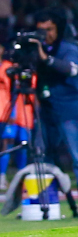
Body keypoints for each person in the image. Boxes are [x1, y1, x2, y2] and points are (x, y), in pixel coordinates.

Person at [30, 9, 78, 216]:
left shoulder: (68, 47)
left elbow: (72, 69)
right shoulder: (39, 48)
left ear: (58, 28)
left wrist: (45, 58)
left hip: (71, 110)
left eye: (50, 29)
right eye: (41, 30)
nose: (46, 35)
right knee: (43, 158)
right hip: (47, 110)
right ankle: (44, 206)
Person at [0, 43, 34, 189]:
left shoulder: (22, 69)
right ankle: (2, 177)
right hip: (9, 111)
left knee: (23, 145)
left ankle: (22, 177)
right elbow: (9, 92)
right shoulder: (7, 68)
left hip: (24, 111)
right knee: (7, 143)